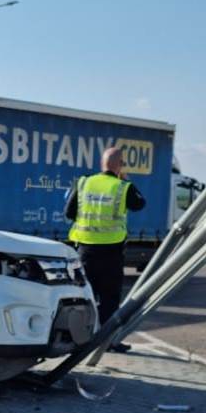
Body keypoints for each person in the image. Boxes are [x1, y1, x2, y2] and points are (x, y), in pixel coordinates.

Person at [64, 146, 146, 352]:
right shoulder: (123, 187)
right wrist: (124, 179)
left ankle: (79, 341)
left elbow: (69, 213)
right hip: (111, 253)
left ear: (101, 163)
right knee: (109, 300)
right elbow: (140, 204)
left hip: (85, 251)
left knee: (85, 297)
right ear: (120, 165)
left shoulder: (84, 183)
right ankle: (106, 342)